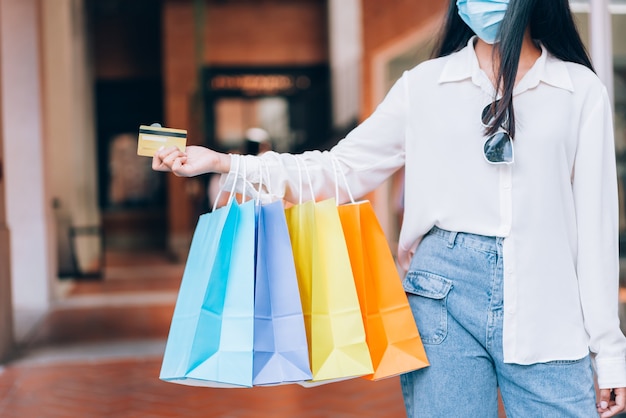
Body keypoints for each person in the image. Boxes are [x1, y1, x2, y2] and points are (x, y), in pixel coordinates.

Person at [153, 0, 626, 416]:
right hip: (441, 294)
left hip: (549, 299)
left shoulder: (578, 91)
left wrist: (610, 354)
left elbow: (597, 231)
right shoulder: (424, 86)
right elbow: (340, 170)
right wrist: (226, 163)